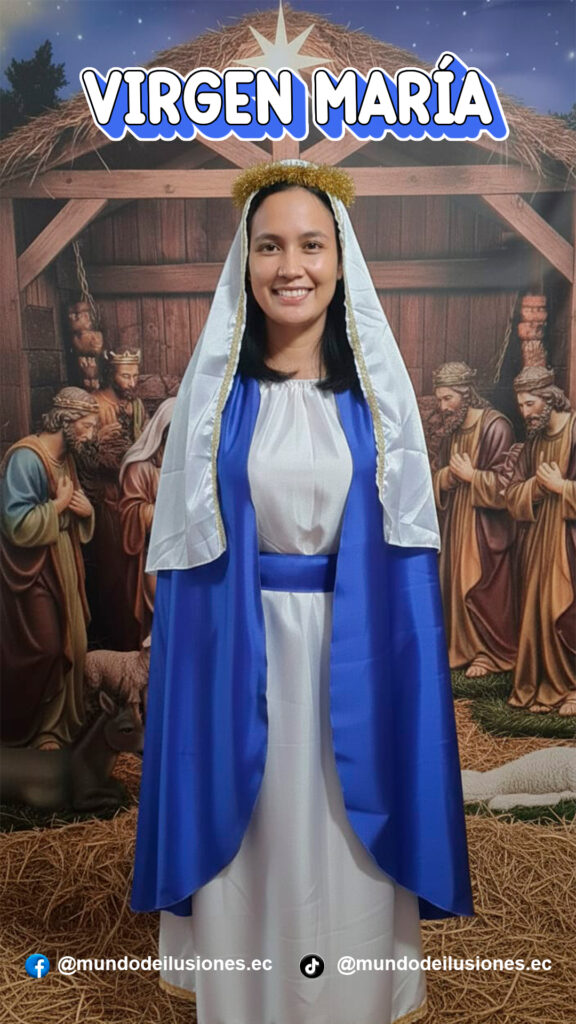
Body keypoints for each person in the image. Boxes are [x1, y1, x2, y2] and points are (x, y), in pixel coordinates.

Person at [131, 160, 473, 1024]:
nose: (292, 266)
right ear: (244, 262)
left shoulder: (378, 405)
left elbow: (404, 562)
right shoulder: (214, 404)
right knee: (260, 835)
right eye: (270, 246)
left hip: (355, 650)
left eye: (311, 245)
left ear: (341, 259)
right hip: (242, 653)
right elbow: (190, 564)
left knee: (345, 833)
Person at [0, 387, 98, 749]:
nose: (90, 434)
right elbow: (14, 524)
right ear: (66, 421)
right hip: (34, 569)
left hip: (63, 560)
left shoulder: (66, 457)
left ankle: (59, 728)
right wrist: (57, 506)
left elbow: (73, 511)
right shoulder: (27, 459)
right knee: (48, 647)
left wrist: (86, 513)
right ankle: (35, 726)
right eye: (87, 426)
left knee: (76, 641)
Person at [433, 362, 517, 677]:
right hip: (457, 522)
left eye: (448, 398)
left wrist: (472, 476)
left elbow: (507, 487)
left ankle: (489, 653)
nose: (443, 407)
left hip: (485, 527)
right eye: (440, 399)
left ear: (466, 394)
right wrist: (444, 479)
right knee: (454, 581)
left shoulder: (496, 427)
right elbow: (439, 473)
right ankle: (460, 647)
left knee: (483, 586)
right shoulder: (452, 432)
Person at [505, 366, 576, 715]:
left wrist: (562, 487)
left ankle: (572, 687)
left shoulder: (575, 433)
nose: (525, 412)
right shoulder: (533, 442)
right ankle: (544, 684)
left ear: (549, 399)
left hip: (568, 544)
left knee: (565, 609)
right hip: (537, 543)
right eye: (521, 405)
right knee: (538, 611)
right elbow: (512, 493)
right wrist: (536, 487)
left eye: (530, 403)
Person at [89, 348, 147, 649]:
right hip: (108, 497)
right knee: (111, 569)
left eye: (135, 376)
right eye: (125, 376)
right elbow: (84, 451)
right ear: (111, 374)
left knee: (132, 570)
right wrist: (102, 447)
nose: (132, 382)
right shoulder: (96, 404)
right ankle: (115, 640)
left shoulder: (136, 405)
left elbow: (146, 441)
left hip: (132, 492)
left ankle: (133, 637)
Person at [118, 398, 176, 644]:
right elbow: (132, 513)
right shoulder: (140, 468)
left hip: (180, 553)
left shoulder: (189, 465)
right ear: (162, 433)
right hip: (152, 554)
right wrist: (172, 512)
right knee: (159, 613)